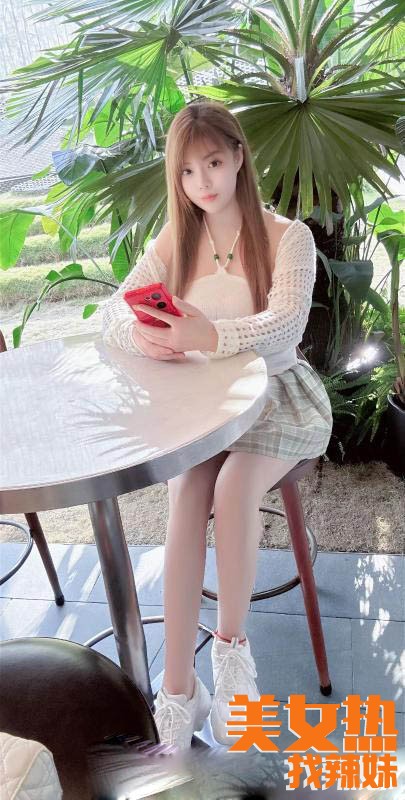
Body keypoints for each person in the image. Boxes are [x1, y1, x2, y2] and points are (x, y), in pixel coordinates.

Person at [101, 100, 333, 750]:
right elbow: (112, 311)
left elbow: (286, 324)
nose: (201, 181)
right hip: (206, 404)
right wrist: (145, 337)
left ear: (237, 157)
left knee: (232, 489)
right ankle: (178, 690)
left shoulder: (287, 236)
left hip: (279, 397)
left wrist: (210, 334)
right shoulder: (175, 240)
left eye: (211, 162)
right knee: (184, 495)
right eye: (186, 170)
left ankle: (232, 659)